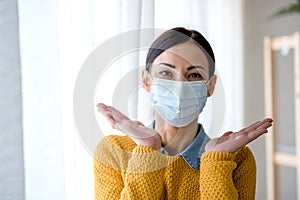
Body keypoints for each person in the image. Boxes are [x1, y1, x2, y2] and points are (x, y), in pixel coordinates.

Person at [94, 27, 273, 199]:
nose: (179, 88)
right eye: (166, 72)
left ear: (210, 86)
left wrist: (216, 161)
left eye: (194, 75)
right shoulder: (114, 151)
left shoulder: (236, 159)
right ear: (147, 81)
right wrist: (148, 150)